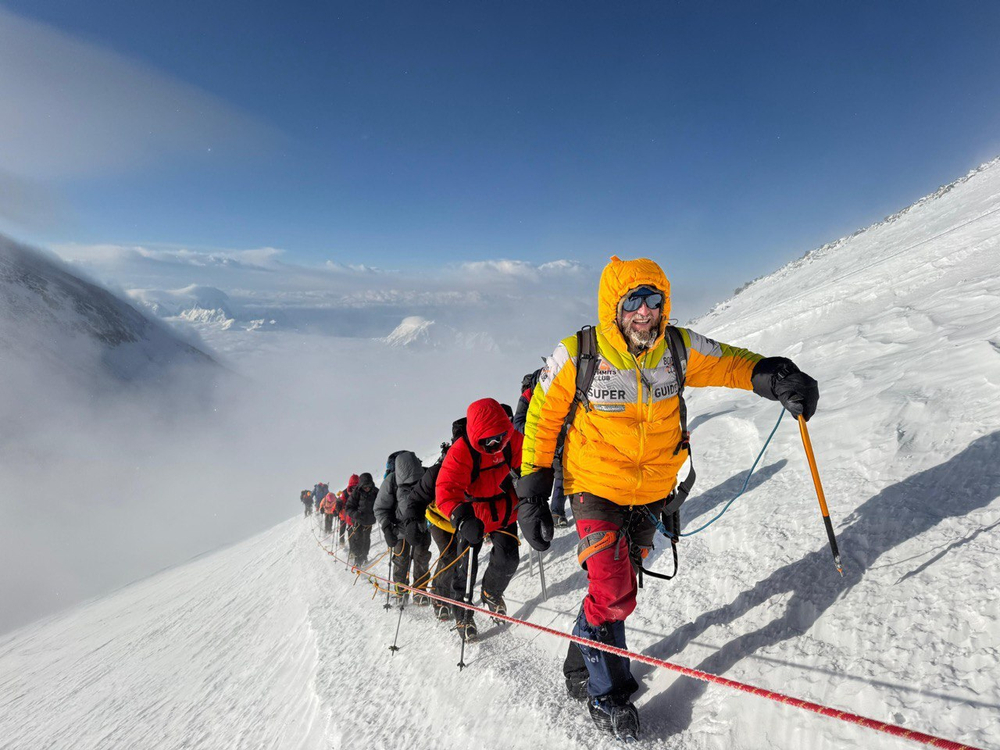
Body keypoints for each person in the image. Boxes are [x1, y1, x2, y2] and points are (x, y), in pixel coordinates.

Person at [516, 255, 819, 742]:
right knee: (614, 591)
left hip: (653, 491)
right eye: (633, 301)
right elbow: (541, 419)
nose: (645, 312)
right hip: (594, 486)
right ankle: (605, 694)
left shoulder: (676, 347)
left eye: (653, 301)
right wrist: (530, 492)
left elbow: (727, 363)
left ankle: (580, 662)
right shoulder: (579, 353)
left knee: (610, 588)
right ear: (614, 306)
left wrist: (774, 374)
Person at [436, 398, 523, 642]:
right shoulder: (461, 451)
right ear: (476, 436)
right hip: (473, 516)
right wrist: (461, 517)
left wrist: (533, 496)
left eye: (499, 437)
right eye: (488, 441)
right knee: (466, 570)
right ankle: (463, 614)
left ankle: (491, 593)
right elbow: (446, 489)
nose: (495, 444)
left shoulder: (513, 439)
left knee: (508, 559)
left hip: (505, 510)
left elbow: (528, 466)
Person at [374, 452, 432, 605]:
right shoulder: (391, 481)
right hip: (399, 530)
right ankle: (401, 591)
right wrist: (387, 527)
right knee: (401, 560)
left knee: (422, 558)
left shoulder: (425, 474)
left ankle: (420, 591)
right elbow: (380, 507)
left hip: (421, 526)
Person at [514, 368, 570, 528]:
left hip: (556, 439)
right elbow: (517, 424)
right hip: (536, 443)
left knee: (561, 474)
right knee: (537, 480)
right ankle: (537, 517)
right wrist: (537, 428)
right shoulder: (526, 398)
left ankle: (557, 512)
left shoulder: (554, 393)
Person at [345, 472, 377, 567]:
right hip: (358, 521)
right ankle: (358, 559)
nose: (367, 488)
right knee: (358, 539)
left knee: (366, 539)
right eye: (365, 486)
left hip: (369, 521)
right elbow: (348, 507)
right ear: (361, 485)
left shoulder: (376, 492)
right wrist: (355, 514)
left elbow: (381, 504)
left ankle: (364, 556)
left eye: (369, 486)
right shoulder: (356, 493)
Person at [336, 475, 359, 546]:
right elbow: (339, 501)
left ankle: (352, 550)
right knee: (342, 529)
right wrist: (338, 507)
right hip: (344, 515)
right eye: (353, 487)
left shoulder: (361, 492)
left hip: (353, 516)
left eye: (356, 486)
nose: (355, 488)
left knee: (352, 532)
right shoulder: (344, 493)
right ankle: (341, 541)